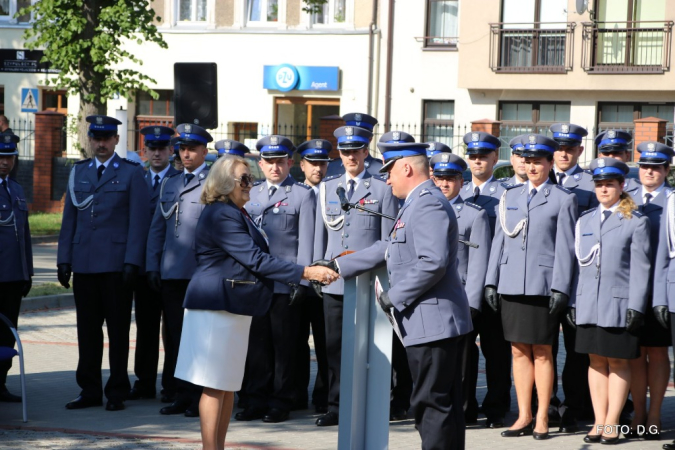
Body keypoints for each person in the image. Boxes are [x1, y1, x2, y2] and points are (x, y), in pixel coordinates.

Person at [172, 155, 338, 450]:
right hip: (215, 306)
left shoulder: (237, 212)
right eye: (245, 179)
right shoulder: (222, 213)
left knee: (226, 387)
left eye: (251, 179)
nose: (251, 185)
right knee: (214, 386)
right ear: (225, 183)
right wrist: (305, 272)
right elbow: (255, 259)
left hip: (232, 306)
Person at [322, 140, 473, 449]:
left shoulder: (427, 202)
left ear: (406, 168)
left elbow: (433, 262)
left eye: (389, 171)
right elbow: (389, 248)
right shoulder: (418, 202)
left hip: (432, 321)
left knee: (431, 406)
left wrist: (394, 295)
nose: (386, 179)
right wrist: (338, 264)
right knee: (441, 405)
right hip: (430, 321)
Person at [484, 134, 577, 440]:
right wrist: (491, 281)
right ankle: (523, 415)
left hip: (543, 286)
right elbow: (500, 241)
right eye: (528, 161)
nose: (532, 166)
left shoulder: (564, 199)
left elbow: (566, 248)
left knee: (543, 352)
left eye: (539, 161)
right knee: (518, 351)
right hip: (511, 284)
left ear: (550, 163)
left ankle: (541, 416)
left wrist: (561, 288)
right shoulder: (509, 196)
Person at [57, 115, 150, 411]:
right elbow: (69, 220)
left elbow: (138, 222)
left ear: (116, 140)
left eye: (106, 138)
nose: (100, 143)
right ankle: (89, 390)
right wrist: (63, 259)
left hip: (116, 266)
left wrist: (132, 262)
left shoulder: (132, 173)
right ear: (90, 139)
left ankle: (117, 390)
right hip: (84, 264)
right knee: (87, 331)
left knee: (118, 331)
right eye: (96, 138)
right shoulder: (79, 172)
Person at [312, 124, 399, 427]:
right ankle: (336, 405)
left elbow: (387, 241)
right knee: (334, 347)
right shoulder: (327, 187)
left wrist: (354, 264)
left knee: (371, 347)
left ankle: (374, 401)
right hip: (334, 284)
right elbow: (319, 235)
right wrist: (316, 271)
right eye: (345, 151)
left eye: (356, 151)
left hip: (367, 282)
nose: (350, 156)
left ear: (365, 152)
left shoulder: (382, 188)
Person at [567, 157, 651, 444]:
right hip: (589, 303)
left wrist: (637, 305)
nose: (604, 189)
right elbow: (579, 266)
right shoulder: (585, 220)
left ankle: (613, 422)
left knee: (617, 361)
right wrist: (573, 302)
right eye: (600, 184)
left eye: (609, 184)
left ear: (621, 186)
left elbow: (641, 269)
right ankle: (599, 421)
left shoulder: (635, 221)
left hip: (619, 303)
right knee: (595, 362)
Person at [236, 135, 316, 424]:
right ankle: (255, 398)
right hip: (256, 282)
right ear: (260, 164)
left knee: (284, 347)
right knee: (256, 345)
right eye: (269, 161)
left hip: (285, 283)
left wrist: (303, 282)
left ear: (289, 163)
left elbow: (306, 243)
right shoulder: (251, 194)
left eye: (280, 161)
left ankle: (281, 400)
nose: (274, 167)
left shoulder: (302, 195)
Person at [146, 123, 211, 417]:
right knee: (174, 337)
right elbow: (157, 228)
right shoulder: (169, 183)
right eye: (183, 149)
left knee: (200, 338)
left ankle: (200, 396)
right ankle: (180, 393)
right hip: (172, 273)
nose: (186, 154)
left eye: (192, 149)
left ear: (204, 152)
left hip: (200, 274)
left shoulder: (213, 184)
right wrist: (152, 265)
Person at [429, 152, 491, 428]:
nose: (444, 184)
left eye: (450, 179)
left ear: (461, 181)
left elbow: (479, 262)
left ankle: (465, 408)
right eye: (439, 178)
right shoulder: (424, 209)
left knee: (464, 360)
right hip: (430, 297)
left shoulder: (473, 215)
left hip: (460, 297)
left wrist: (473, 303)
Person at [459, 131, 512, 428]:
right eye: (473, 155)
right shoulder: (458, 192)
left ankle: (497, 407)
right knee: (464, 350)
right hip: (464, 286)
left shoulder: (505, 194)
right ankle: (467, 407)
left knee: (496, 352)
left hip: (495, 285)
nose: (477, 160)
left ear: (495, 158)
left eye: (484, 155)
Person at [547, 123, 596, 433]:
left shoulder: (591, 184)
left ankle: (574, 407)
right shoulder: (537, 177)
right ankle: (547, 405)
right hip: (541, 280)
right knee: (543, 347)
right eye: (559, 147)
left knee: (577, 349)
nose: (563, 152)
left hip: (578, 279)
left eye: (570, 147)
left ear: (580, 150)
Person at [127, 126, 180, 402]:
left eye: (162, 147)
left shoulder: (180, 179)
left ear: (172, 151)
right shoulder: (136, 177)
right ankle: (144, 381)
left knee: (172, 330)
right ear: (144, 151)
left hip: (171, 266)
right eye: (152, 147)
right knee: (146, 328)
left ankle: (171, 385)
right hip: (143, 269)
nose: (157, 152)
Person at [625, 142, 674, 440]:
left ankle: (654, 415)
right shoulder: (626, 198)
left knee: (656, 352)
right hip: (628, 289)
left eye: (656, 167)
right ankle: (638, 415)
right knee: (632, 353)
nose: (649, 172)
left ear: (667, 170)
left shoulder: (672, 201)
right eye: (645, 166)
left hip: (660, 289)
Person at [295, 139, 331, 413]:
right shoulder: (294, 193)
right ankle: (296, 394)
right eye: (313, 163)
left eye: (322, 163)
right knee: (295, 342)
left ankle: (324, 396)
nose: (318, 168)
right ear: (302, 165)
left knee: (326, 342)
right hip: (298, 278)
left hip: (327, 279)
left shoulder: (335, 192)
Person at [0, 134, 32, 403]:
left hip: (13, 277)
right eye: (1, 157)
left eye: (9, 157)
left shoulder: (17, 190)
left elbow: (25, 235)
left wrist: (27, 272)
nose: (5, 162)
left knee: (7, 335)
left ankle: (1, 383)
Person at [325, 113, 383, 177]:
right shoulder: (332, 167)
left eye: (361, 135)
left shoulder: (380, 168)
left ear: (369, 139)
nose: (354, 137)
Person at [595, 130, 640, 196]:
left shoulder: (639, 189)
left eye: (617, 153)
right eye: (606, 153)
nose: (611, 157)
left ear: (627, 156)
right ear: (599, 157)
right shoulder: (588, 187)